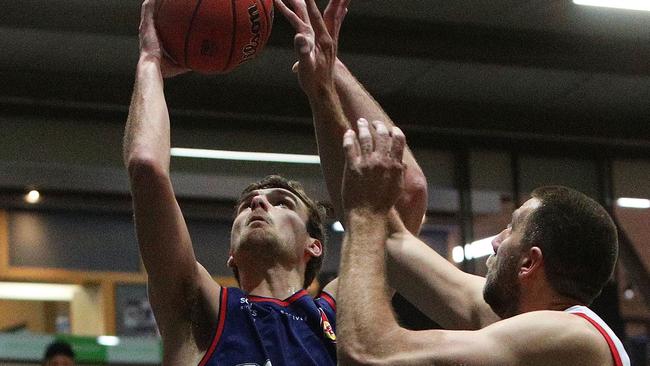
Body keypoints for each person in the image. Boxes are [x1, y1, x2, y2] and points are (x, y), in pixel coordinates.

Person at [124, 1, 344, 364]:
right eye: (247, 205)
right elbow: (146, 167)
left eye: (282, 202)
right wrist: (150, 63)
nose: (259, 204)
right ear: (231, 254)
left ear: (314, 246)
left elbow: (391, 219)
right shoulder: (202, 312)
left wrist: (326, 90)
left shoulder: (341, 317)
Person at [336, 119, 631, 365]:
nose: (495, 242)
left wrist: (364, 214)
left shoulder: (575, 335)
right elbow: (391, 240)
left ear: (529, 262)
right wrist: (324, 91)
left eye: (510, 229)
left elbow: (366, 353)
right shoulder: (526, 322)